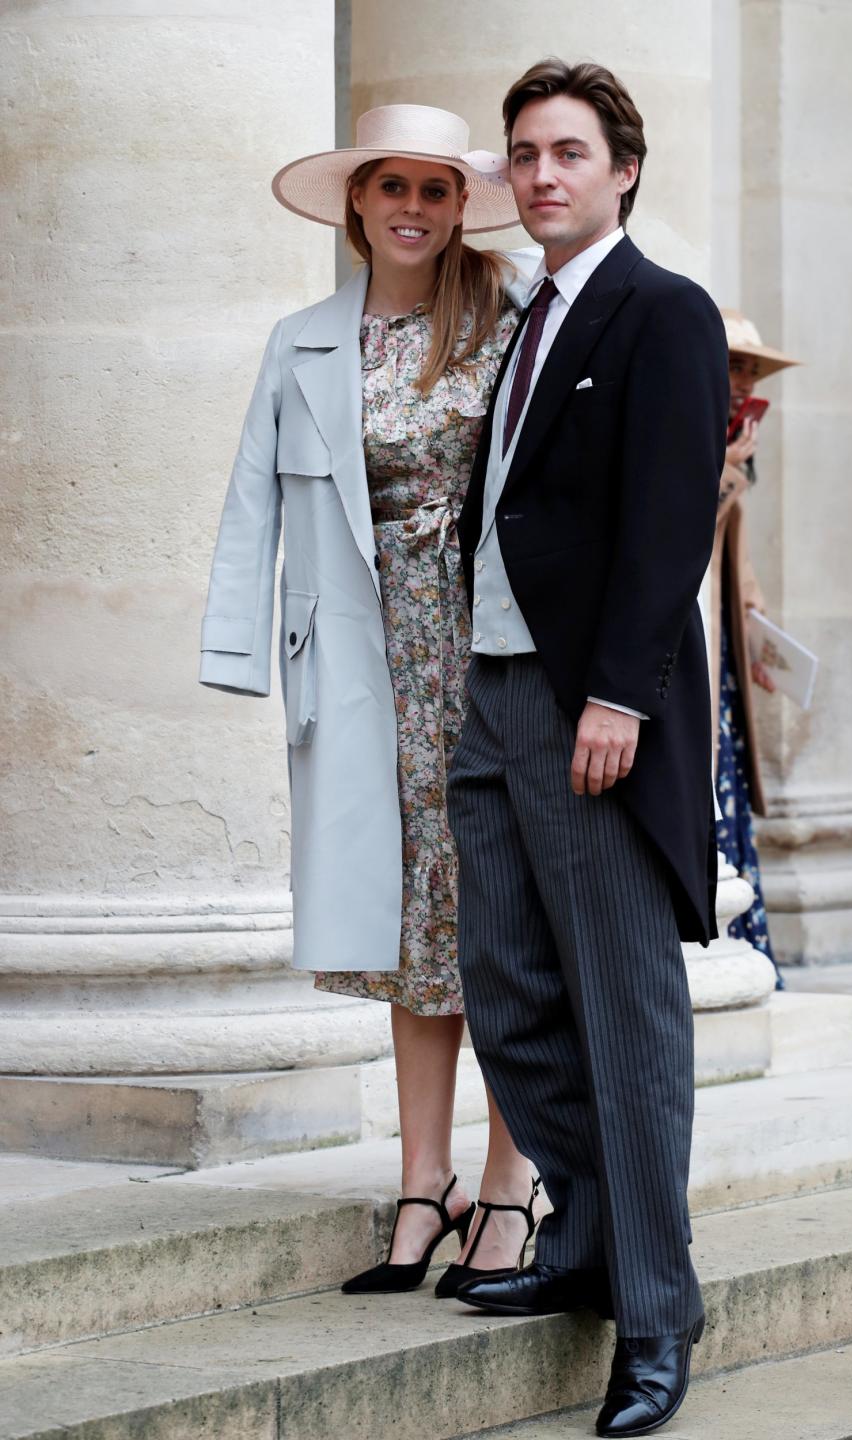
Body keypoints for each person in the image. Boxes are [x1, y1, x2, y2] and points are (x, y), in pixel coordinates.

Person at [199, 105, 541, 1300]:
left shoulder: (508, 321)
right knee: (412, 933)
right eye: (389, 185)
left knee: (501, 917)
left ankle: (510, 1183)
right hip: (362, 659)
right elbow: (254, 504)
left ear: (460, 207)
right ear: (356, 204)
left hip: (492, 654)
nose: (410, 206)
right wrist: (237, 653)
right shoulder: (300, 340)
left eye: (435, 189)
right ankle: (419, 1185)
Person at [446, 61, 728, 1438]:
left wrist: (622, 696)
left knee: (627, 1020)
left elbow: (673, 518)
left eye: (569, 151)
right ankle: (589, 1237)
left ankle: (657, 1324)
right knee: (503, 987)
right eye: (524, 154)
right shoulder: (528, 318)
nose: (542, 173)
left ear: (623, 169)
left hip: (586, 708)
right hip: (492, 696)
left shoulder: (663, 310)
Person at [711, 310, 800, 979]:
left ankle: (747, 951)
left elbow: (737, 568)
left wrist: (757, 632)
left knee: (730, 787)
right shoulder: (701, 439)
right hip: (686, 654)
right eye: (734, 365)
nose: (743, 382)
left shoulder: (733, 443)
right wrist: (726, 471)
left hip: (722, 656)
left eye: (750, 370)